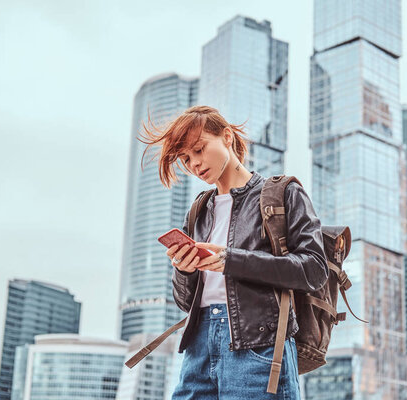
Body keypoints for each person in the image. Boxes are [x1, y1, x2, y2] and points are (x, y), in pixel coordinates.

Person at [138, 105, 328, 400]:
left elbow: (314, 269)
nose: (195, 165)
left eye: (199, 150)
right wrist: (185, 269)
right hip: (198, 347)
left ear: (226, 137)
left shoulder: (282, 193)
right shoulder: (199, 210)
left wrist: (232, 260)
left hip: (259, 346)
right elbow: (185, 301)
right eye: (186, 159)